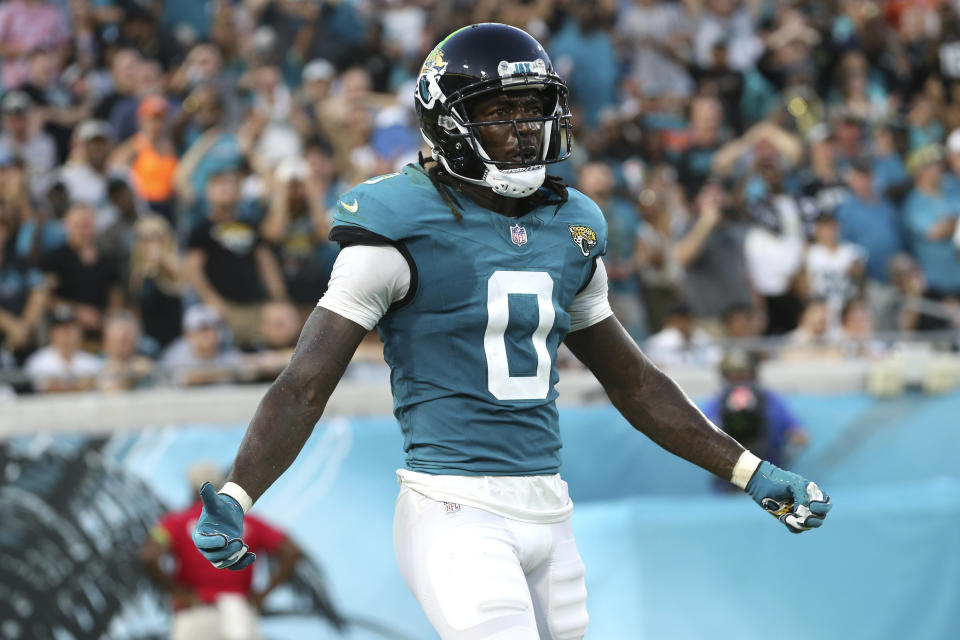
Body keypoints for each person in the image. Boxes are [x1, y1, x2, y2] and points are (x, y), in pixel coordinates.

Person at [191, 24, 832, 640]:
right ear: (449, 124)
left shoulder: (573, 226)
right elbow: (305, 384)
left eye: (534, 110)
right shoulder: (396, 223)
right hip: (453, 506)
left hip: (550, 508)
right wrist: (238, 491)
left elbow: (635, 384)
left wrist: (749, 471)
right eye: (500, 112)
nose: (525, 130)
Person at [141, 461, 303, 640]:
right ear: (221, 485)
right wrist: (263, 594)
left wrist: (175, 591)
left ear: (191, 486)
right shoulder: (246, 522)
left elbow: (148, 556)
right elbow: (291, 551)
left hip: (195, 612)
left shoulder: (173, 524)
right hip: (239, 614)